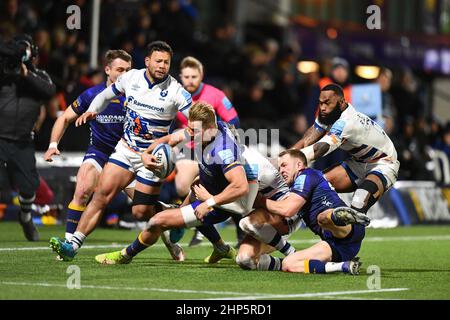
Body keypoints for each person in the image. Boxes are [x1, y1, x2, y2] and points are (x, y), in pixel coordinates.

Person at [49, 41, 191, 261]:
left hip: (152, 158)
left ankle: (171, 217)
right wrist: (93, 110)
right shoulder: (132, 78)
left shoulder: (176, 91)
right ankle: (72, 245)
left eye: (166, 62)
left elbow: (197, 124)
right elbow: (105, 95)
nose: (162, 66)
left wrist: (177, 138)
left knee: (140, 212)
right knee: (100, 196)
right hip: (125, 150)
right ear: (147, 61)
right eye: (158, 61)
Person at [93, 102, 251, 265]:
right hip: (207, 190)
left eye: (194, 131)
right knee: (183, 214)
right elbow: (170, 139)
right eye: (189, 128)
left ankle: (124, 256)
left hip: (220, 205)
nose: (189, 133)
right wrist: (146, 154)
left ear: (211, 128)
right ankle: (221, 248)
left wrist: (209, 201)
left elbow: (241, 186)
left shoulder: (224, 150)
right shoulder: (209, 129)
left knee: (158, 220)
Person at [44, 50, 132, 243]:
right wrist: (53, 144)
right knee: (82, 190)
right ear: (107, 70)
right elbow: (65, 118)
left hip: (127, 156)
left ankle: (170, 238)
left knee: (144, 209)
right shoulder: (92, 94)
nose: (125, 74)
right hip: (99, 152)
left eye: (128, 70)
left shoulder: (138, 97)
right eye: (120, 69)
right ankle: (67, 245)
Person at [292, 84, 400, 226]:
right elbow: (307, 140)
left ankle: (349, 239)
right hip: (358, 162)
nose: (322, 107)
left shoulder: (347, 122)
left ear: (342, 102)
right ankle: (292, 219)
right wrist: (287, 155)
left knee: (359, 201)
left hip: (384, 163)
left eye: (327, 103)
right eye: (320, 103)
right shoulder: (329, 113)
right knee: (314, 184)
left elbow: (320, 149)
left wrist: (289, 161)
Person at [247, 149, 363, 275]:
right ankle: (344, 266)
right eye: (279, 168)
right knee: (288, 264)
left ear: (299, 165)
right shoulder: (294, 186)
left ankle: (339, 216)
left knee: (322, 219)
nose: (281, 171)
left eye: (284, 165)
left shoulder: (306, 175)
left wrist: (260, 202)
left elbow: (288, 209)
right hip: (338, 245)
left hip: (344, 230)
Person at [168, 56, 242, 247]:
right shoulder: (175, 95)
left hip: (212, 149)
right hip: (189, 150)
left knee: (226, 187)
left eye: (194, 76)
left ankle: (236, 226)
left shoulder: (216, 95)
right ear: (180, 77)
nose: (190, 80)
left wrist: (230, 145)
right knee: (183, 186)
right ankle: (194, 222)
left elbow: (233, 121)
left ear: (201, 76)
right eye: (186, 76)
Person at [0, 34, 56, 241]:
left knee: (28, 186)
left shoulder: (40, 75)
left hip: (23, 141)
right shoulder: (4, 72)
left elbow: (49, 91)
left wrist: (26, 74)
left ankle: (25, 216)